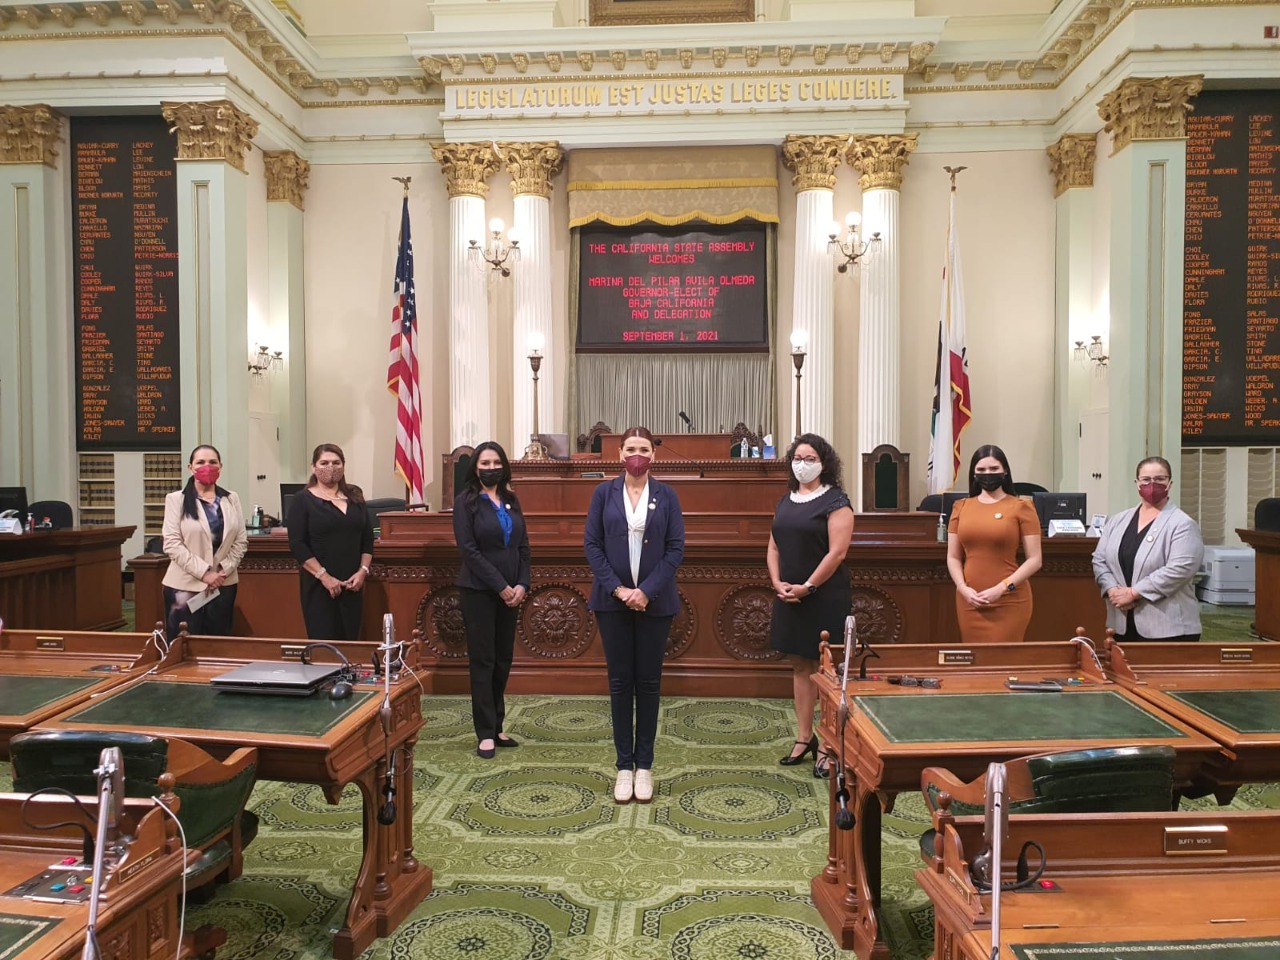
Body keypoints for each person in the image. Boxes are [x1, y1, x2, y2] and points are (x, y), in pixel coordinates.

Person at [584, 426, 685, 805]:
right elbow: (592, 545)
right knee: (619, 683)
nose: (637, 454)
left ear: (653, 456)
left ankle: (645, 765)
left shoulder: (667, 495)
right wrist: (621, 589)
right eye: (630, 448)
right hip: (612, 603)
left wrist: (646, 591)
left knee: (649, 683)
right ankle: (623, 766)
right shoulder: (602, 493)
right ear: (620, 453)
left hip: (655, 604)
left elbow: (676, 548)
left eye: (643, 449)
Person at [768, 433, 854, 779]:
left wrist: (808, 587)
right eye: (797, 457)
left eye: (810, 458)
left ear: (824, 462)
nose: (802, 464)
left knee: (826, 672)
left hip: (823, 597)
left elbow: (838, 552)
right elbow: (773, 546)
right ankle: (804, 738)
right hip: (789, 596)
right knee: (800, 669)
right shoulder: (786, 500)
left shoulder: (836, 501)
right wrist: (777, 583)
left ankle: (829, 746)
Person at [453, 441, 531, 759]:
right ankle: (484, 732)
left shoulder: (511, 500)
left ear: (504, 466)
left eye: (495, 462)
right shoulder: (466, 501)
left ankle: (498, 726)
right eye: (484, 463)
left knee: (502, 661)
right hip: (479, 592)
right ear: (475, 468)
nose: (490, 468)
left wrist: (522, 584)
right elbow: (469, 551)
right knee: (483, 662)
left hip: (512, 593)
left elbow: (522, 546)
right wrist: (501, 586)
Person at [1092, 456, 1204, 642]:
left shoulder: (1183, 524)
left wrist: (1133, 593)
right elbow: (1099, 559)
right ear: (1137, 483)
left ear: (1170, 483)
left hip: (1169, 629)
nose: (1152, 484)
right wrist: (1112, 589)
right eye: (1146, 480)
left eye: (1160, 479)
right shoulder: (1118, 520)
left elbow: (1179, 569)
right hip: (1121, 624)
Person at [946, 444, 1043, 643]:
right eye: (981, 470)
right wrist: (963, 588)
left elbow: (1035, 559)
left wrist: (1002, 589)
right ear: (973, 473)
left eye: (993, 469)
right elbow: (953, 556)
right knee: (974, 661)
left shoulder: (1021, 507)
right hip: (969, 599)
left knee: (1005, 661)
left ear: (1005, 471)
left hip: (1009, 599)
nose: (987, 474)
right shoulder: (960, 507)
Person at [161, 444, 249, 640]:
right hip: (185, 587)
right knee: (183, 646)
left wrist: (223, 571)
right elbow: (172, 543)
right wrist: (205, 573)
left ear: (220, 467)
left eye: (212, 462)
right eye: (200, 462)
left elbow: (241, 540)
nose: (206, 467)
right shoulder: (176, 500)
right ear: (190, 467)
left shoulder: (231, 498)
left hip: (223, 584)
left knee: (217, 645)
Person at [288, 443, 374, 640]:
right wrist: (324, 577)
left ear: (343, 466)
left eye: (336, 463)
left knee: (351, 642)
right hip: (320, 585)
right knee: (325, 646)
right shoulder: (302, 500)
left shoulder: (355, 496)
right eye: (324, 463)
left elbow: (367, 539)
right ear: (313, 467)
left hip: (353, 585)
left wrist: (363, 571)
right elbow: (297, 544)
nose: (331, 468)